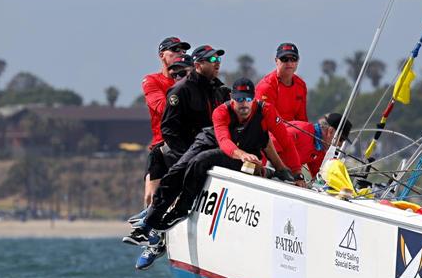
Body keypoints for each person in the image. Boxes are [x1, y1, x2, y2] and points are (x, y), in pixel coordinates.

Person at [125, 79, 295, 261]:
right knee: (178, 169)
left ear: (254, 98)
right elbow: (224, 141)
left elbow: (285, 142)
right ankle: (147, 225)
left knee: (199, 162)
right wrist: (240, 153)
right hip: (220, 143)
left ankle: (180, 210)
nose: (243, 103)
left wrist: (297, 172)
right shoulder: (221, 111)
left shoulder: (266, 110)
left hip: (243, 152)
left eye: (247, 99)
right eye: (239, 99)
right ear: (231, 98)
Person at [140, 36, 190, 206]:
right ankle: (151, 229)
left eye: (183, 51)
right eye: (175, 50)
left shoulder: (192, 81)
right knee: (151, 197)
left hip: (188, 145)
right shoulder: (152, 80)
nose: (180, 53)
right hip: (161, 146)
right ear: (162, 55)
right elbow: (162, 108)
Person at [160, 44, 229, 166]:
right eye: (212, 59)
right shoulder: (181, 90)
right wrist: (185, 157)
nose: (217, 62)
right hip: (188, 156)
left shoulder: (219, 90)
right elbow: (169, 129)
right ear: (197, 65)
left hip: (213, 154)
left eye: (218, 59)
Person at [273, 113, 352, 179]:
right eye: (341, 139)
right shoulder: (301, 132)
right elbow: (270, 143)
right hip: (266, 170)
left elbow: (319, 176)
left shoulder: (320, 149)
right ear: (330, 131)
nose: (341, 144)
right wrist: (292, 173)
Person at [255, 42, 308, 123]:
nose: (289, 63)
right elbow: (265, 121)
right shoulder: (266, 86)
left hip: (290, 131)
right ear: (276, 61)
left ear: (298, 61)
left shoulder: (301, 85)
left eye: (293, 59)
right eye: (284, 59)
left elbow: (302, 119)